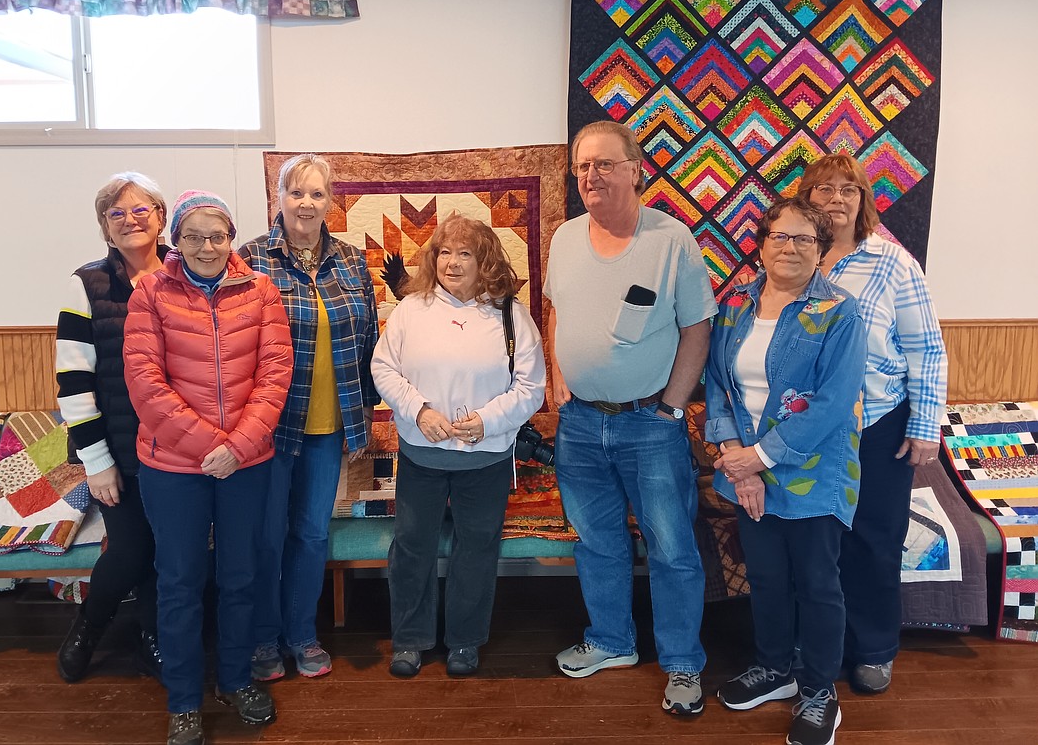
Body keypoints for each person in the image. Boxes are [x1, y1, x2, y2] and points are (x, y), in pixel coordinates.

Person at [545, 120, 716, 715]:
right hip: (582, 425)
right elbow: (555, 313)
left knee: (671, 548)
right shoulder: (564, 239)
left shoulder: (673, 241)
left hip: (650, 424)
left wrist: (672, 405)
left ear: (636, 169)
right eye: (582, 165)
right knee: (596, 542)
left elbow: (698, 327)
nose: (591, 175)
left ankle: (683, 663)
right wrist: (557, 379)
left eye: (604, 164)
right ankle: (612, 642)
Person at [124, 190, 293, 745]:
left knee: (241, 576)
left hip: (247, 463)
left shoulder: (262, 291)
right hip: (173, 467)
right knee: (179, 583)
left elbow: (275, 376)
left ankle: (238, 680)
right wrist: (207, 448)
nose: (205, 246)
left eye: (216, 235)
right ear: (175, 239)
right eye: (192, 236)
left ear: (232, 238)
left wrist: (238, 446)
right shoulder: (149, 292)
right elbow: (145, 383)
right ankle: (183, 702)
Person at [706, 198, 866, 745]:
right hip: (749, 471)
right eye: (781, 236)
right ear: (763, 242)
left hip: (814, 474)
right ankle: (775, 670)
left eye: (804, 239)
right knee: (768, 578)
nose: (791, 247)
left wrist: (761, 457)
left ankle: (820, 691)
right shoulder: (734, 307)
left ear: (821, 250)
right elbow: (718, 386)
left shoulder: (840, 312)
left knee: (818, 584)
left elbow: (833, 402)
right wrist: (738, 460)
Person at [371, 213, 546, 678]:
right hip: (421, 453)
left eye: (464, 253)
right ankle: (410, 639)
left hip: (486, 457)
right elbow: (383, 368)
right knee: (412, 544)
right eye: (444, 252)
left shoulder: (512, 314)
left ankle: (465, 641)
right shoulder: (412, 308)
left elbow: (532, 387)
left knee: (477, 546)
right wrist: (420, 410)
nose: (452, 262)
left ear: (484, 259)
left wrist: (486, 422)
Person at [798, 154, 948, 695]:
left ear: (864, 200)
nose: (836, 199)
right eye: (823, 190)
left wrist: (927, 425)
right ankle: (824, 646)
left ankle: (875, 648)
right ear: (805, 198)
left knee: (876, 540)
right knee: (818, 541)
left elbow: (926, 349)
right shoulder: (793, 256)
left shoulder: (892, 263)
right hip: (809, 428)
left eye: (848, 190)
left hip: (878, 422)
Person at [237, 154, 379, 681]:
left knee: (312, 536)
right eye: (296, 192)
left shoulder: (351, 260)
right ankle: (263, 640)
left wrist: (362, 410)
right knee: (267, 536)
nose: (306, 203)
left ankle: (302, 634)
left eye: (317, 194)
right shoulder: (249, 259)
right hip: (269, 427)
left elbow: (368, 342)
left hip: (330, 427)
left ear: (330, 202)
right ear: (278, 197)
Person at [55, 172, 169, 683]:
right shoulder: (86, 285)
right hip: (117, 450)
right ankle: (89, 626)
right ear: (104, 226)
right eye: (116, 213)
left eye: (141, 209)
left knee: (167, 547)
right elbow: (74, 384)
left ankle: (153, 635)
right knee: (131, 547)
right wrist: (96, 462)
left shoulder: (189, 272)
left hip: (176, 447)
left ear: (162, 216)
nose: (130, 220)